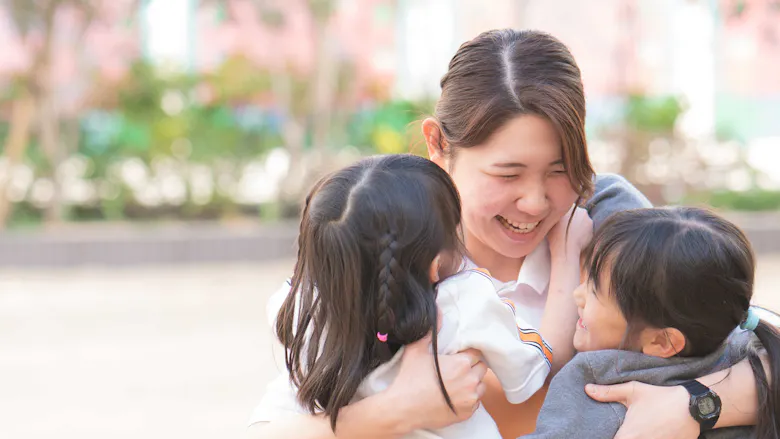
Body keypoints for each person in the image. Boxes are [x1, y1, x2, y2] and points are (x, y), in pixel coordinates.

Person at [248, 29, 763, 439]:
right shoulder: (381, 235)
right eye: (508, 174)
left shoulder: (618, 235)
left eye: (560, 170)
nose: (536, 201)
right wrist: (391, 414)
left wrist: (698, 405)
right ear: (437, 144)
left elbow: (754, 343)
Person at [275, 154, 555, 439]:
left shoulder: (302, 309)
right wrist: (566, 262)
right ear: (435, 265)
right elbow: (530, 375)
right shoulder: (467, 301)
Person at [523, 206, 779, 439]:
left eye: (594, 291)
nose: (577, 295)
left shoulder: (599, 385)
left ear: (662, 341)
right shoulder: (750, 349)